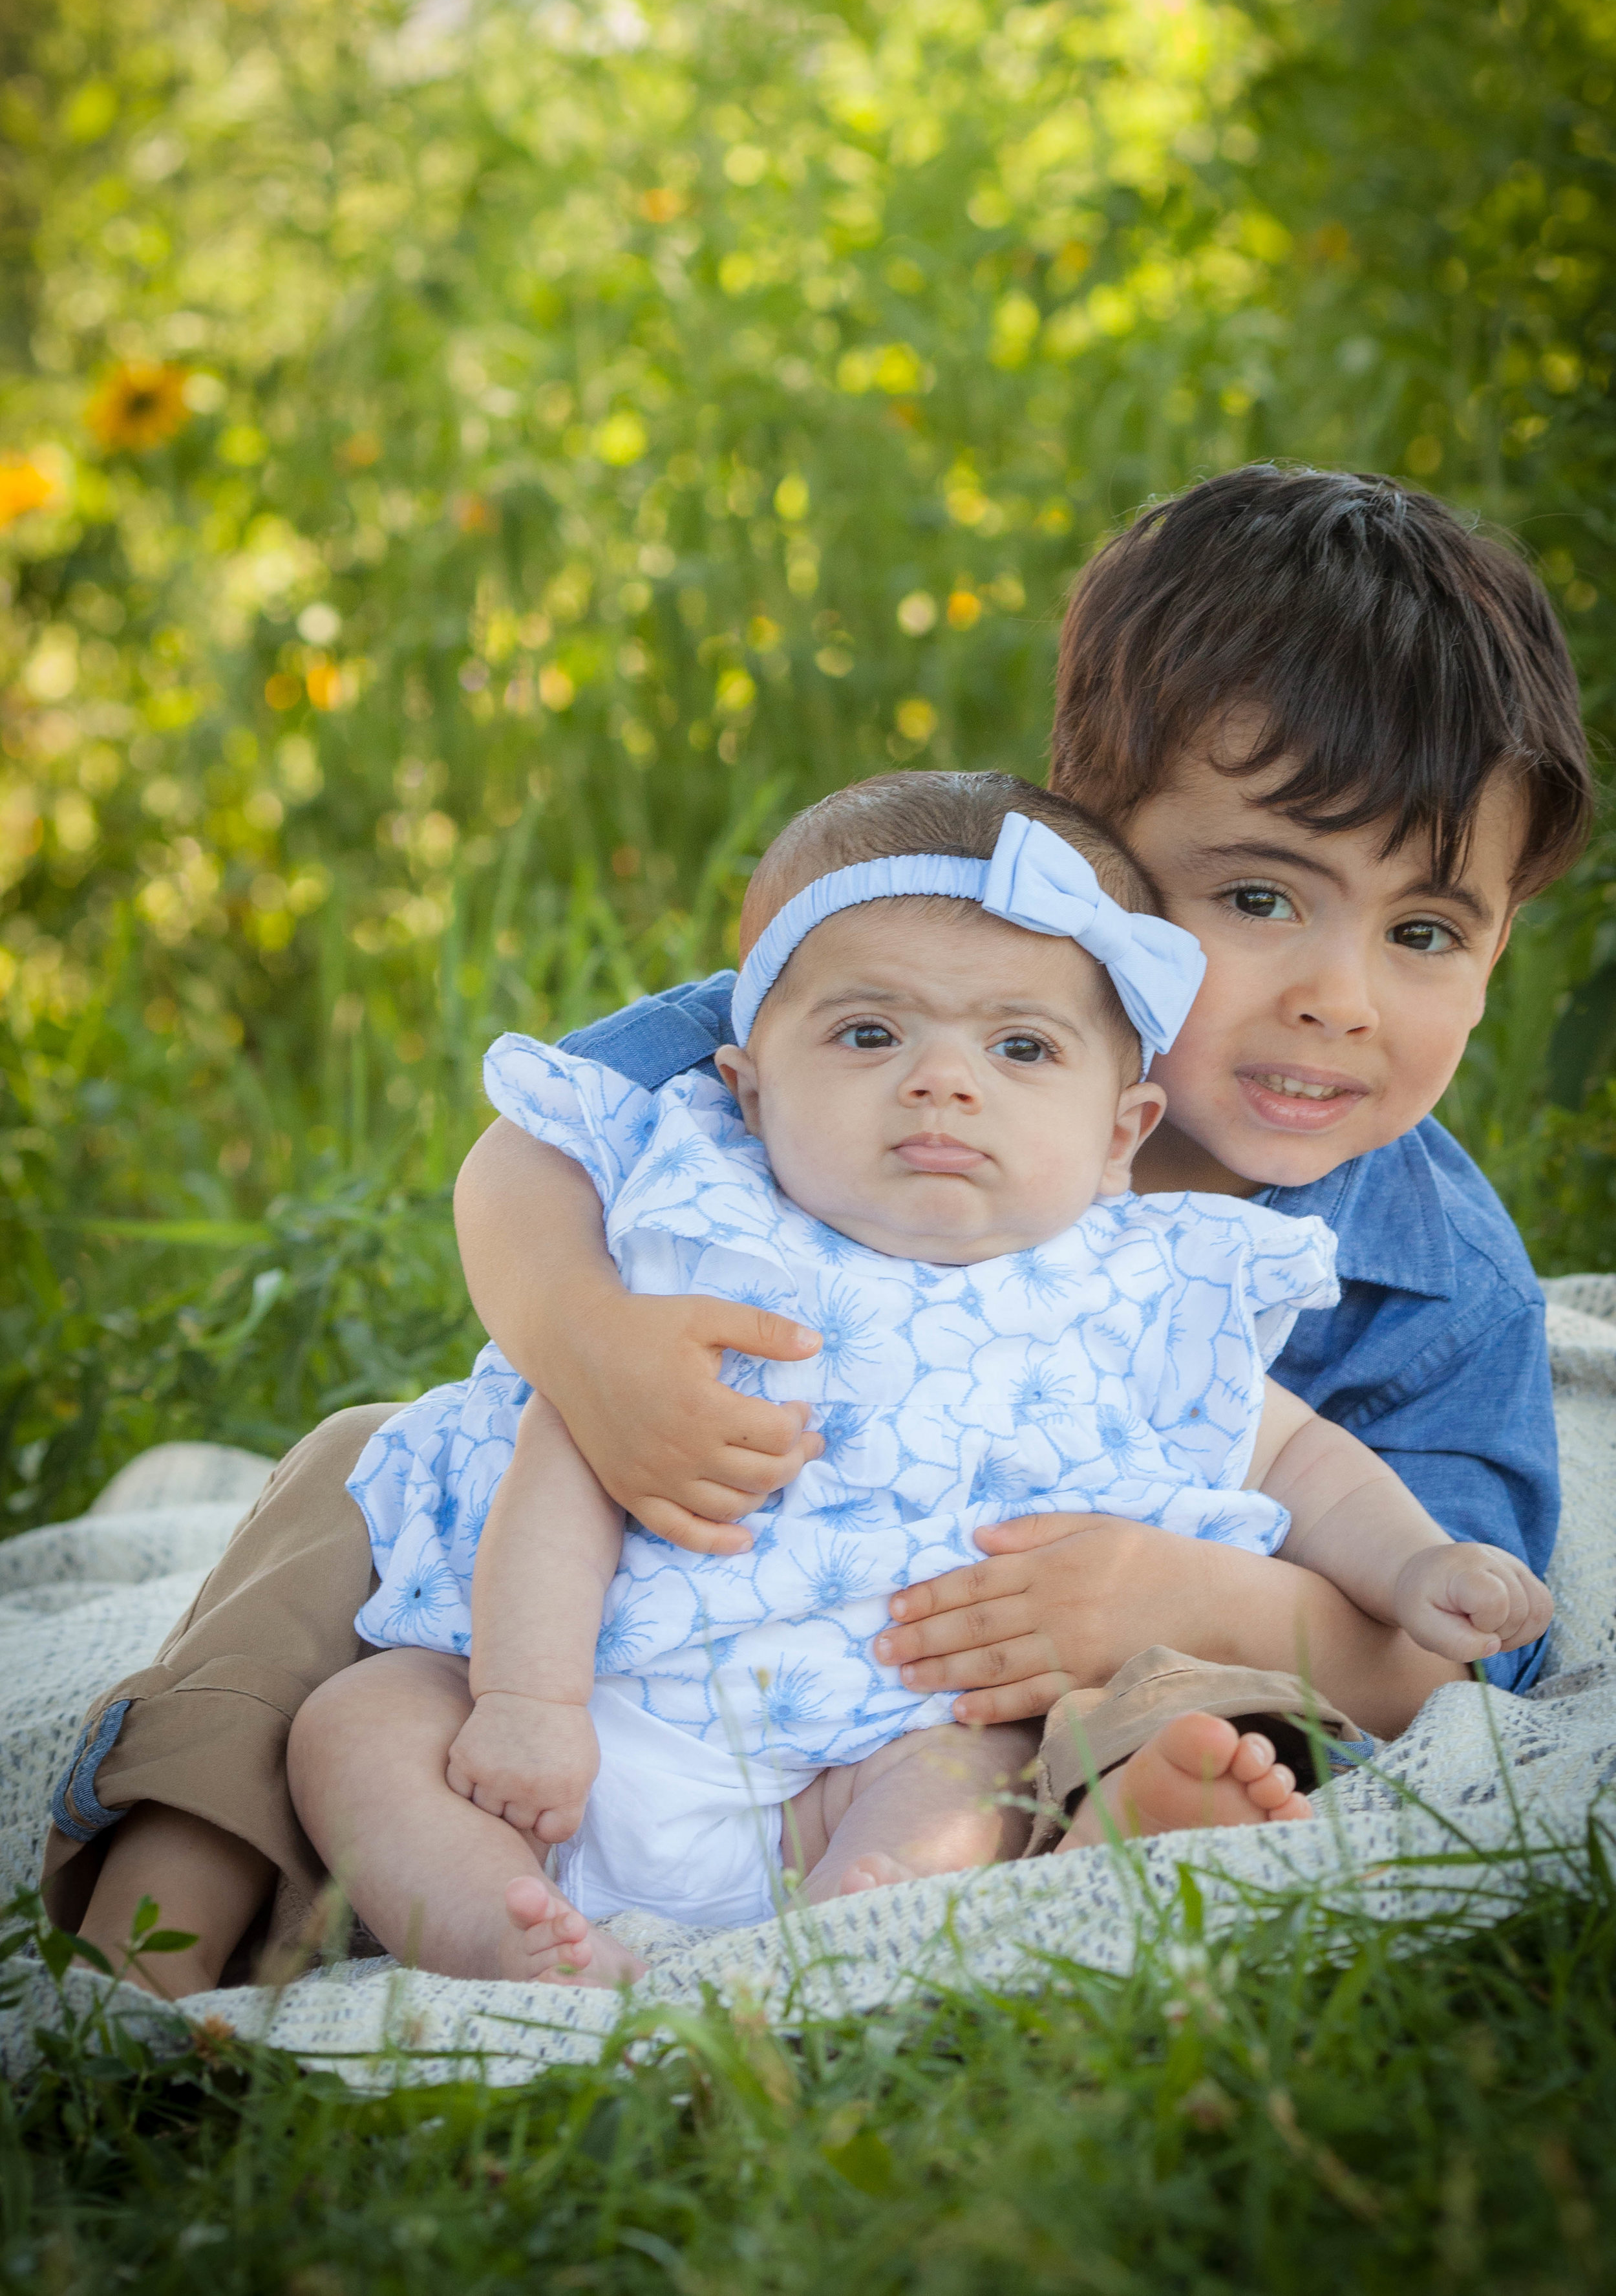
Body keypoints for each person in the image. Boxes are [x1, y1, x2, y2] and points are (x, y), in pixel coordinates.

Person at [43, 465, 1592, 1998]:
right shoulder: (886, 1008)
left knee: (1194, 1698)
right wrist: (591, 1353)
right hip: (650, 1601)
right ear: (1077, 863)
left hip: (956, 1694)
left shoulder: (1435, 1274)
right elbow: (533, 1154)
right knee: (361, 1466)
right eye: (1258, 899)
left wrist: (1191, 1598)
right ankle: (177, 1877)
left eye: (1423, 932)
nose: (1339, 994)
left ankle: (1097, 1846)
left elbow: (1460, 1650)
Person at [286, 776, 1550, 1986]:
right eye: (871, 1035)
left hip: (873, 1743)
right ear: (747, 1086)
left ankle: (858, 1921)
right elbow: (567, 1457)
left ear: (1121, 1133)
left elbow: (1296, 1458)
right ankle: (501, 1933)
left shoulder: (1141, 1293)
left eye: (1017, 1048)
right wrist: (523, 1700)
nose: (942, 1080)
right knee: (360, 1724)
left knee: (971, 1779)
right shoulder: (716, 1243)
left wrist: (1414, 1566)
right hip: (590, 1722)